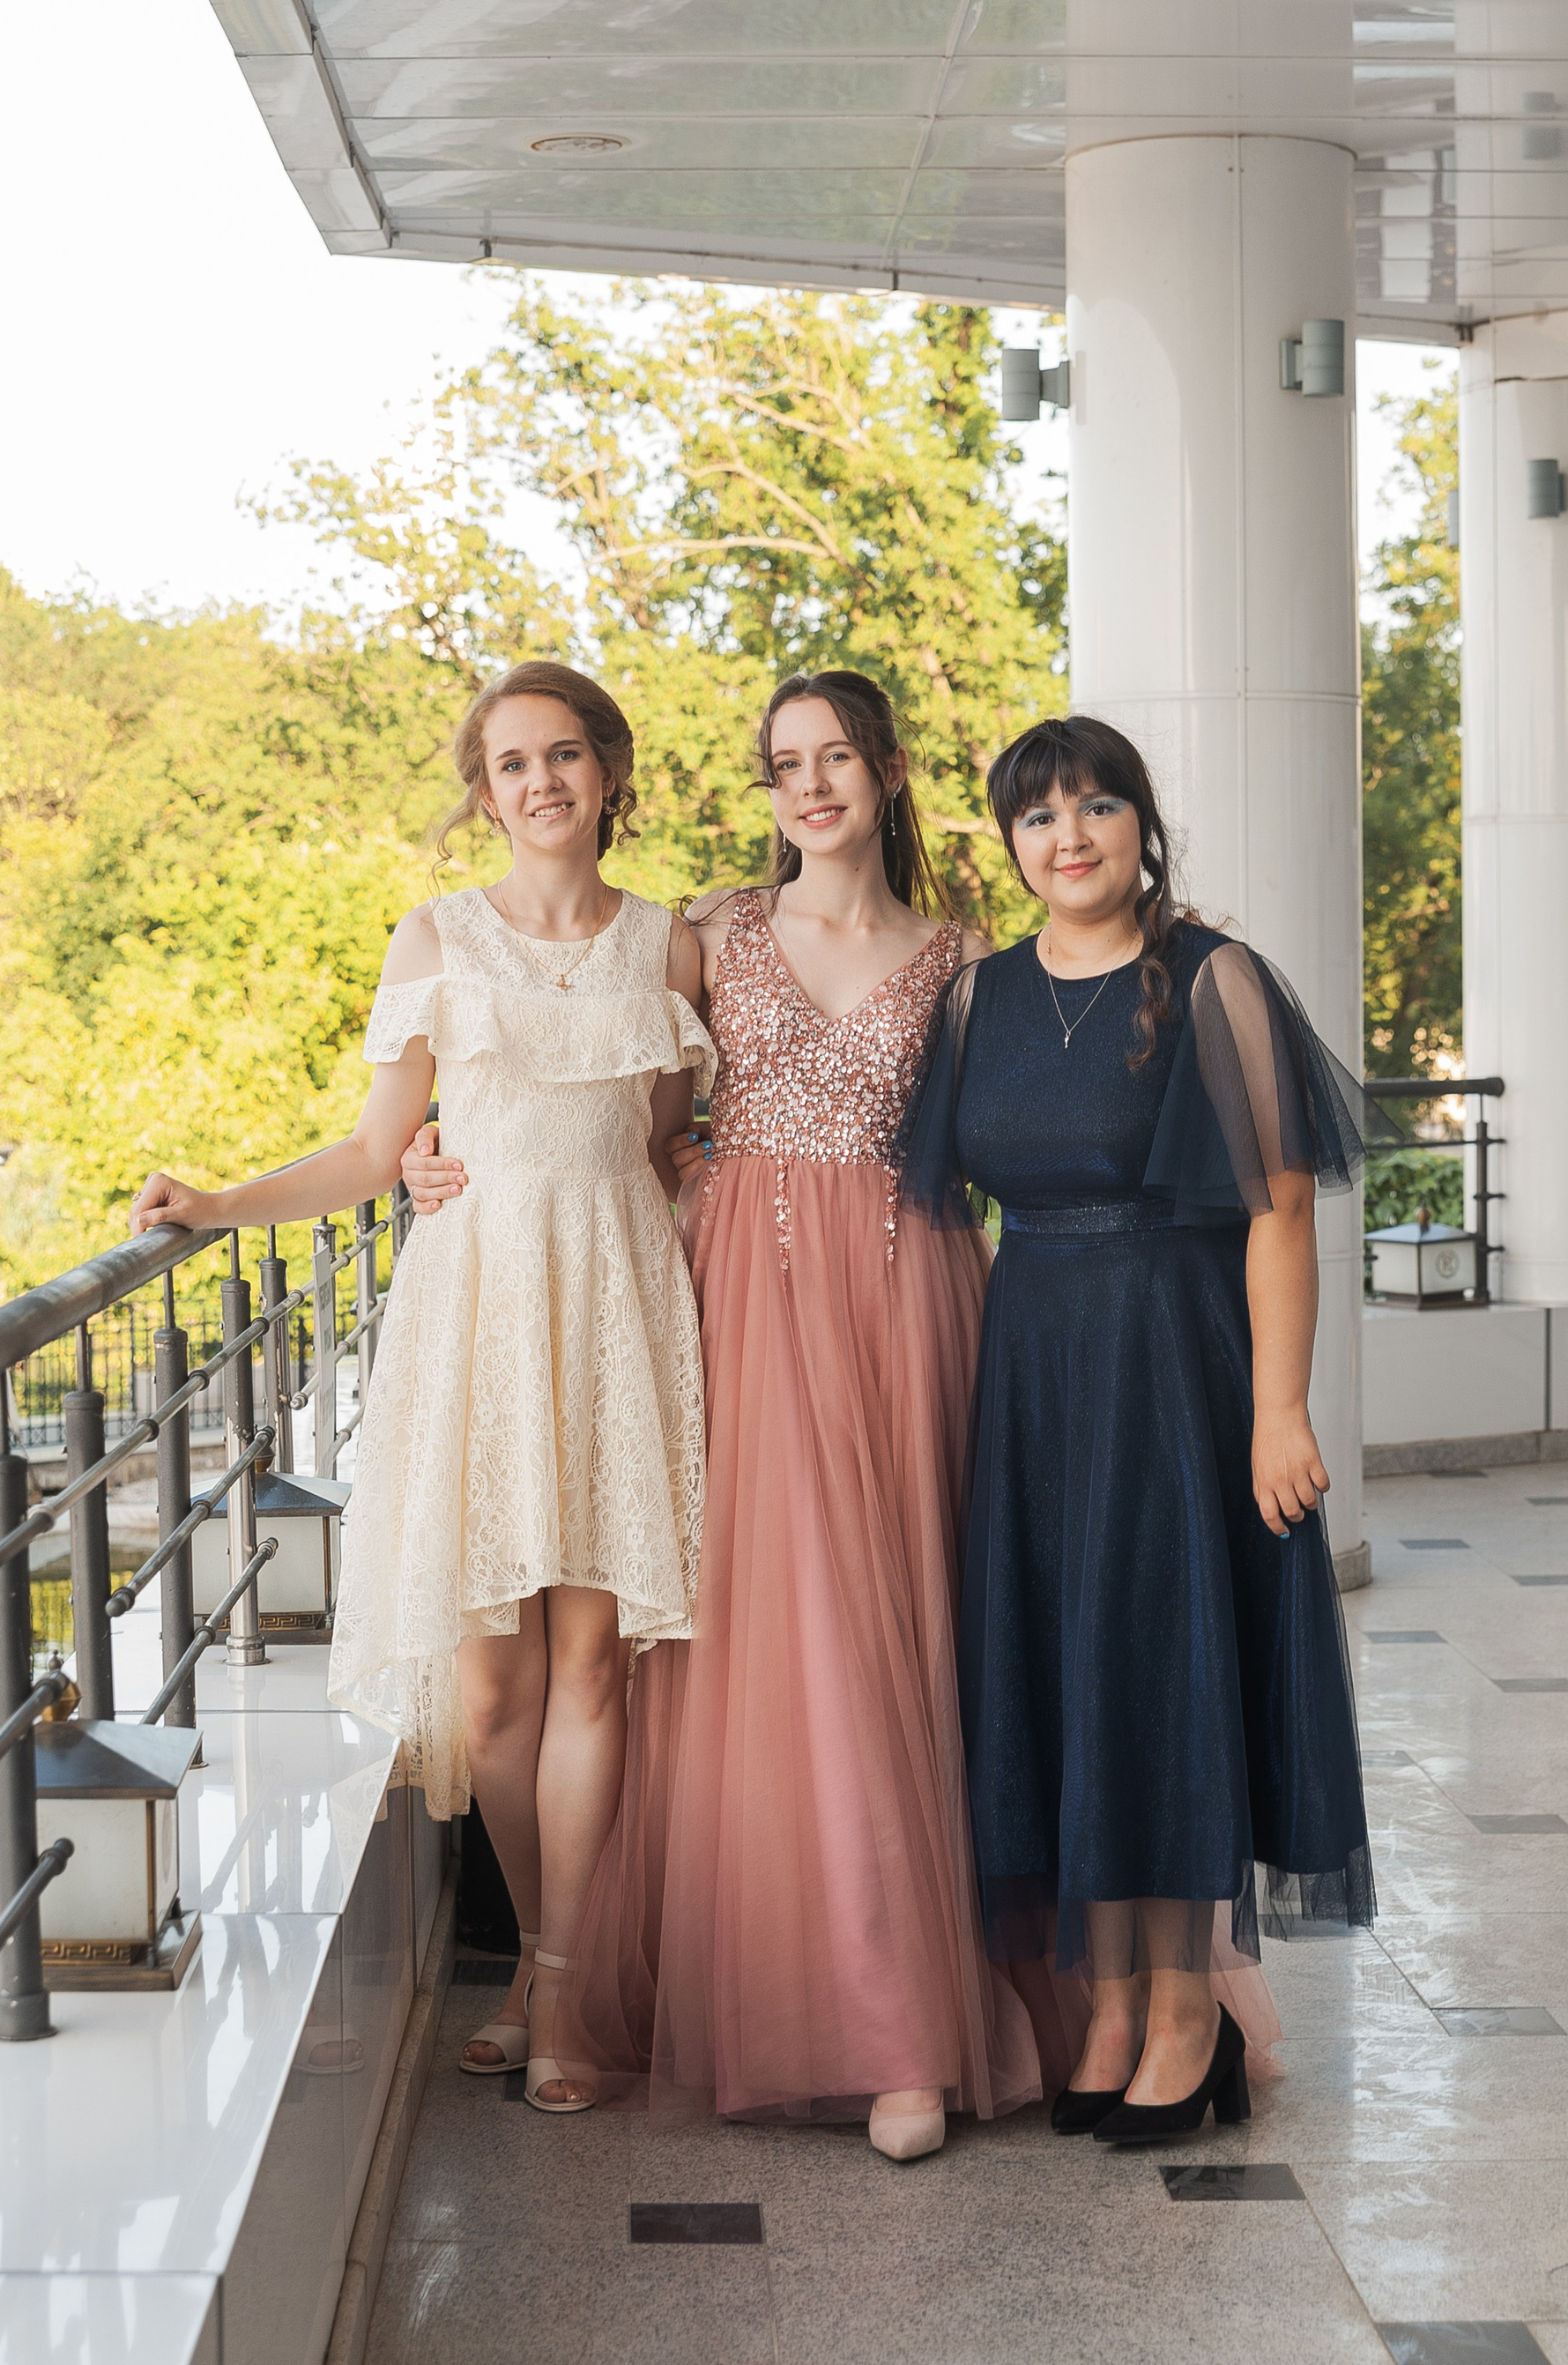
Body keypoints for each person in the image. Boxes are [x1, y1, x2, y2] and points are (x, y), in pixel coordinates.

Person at [412, 669, 1052, 2160]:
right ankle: (676, 1987)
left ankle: (904, 2026)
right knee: (762, 1648)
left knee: (892, 1643)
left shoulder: (962, 960)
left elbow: (1020, 1137)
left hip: (903, 1306)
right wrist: (433, 1149)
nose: (810, 786)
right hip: (736, 1307)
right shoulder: (710, 933)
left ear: (889, 772)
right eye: (785, 764)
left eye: (837, 759)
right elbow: (610, 1102)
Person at [130, 658, 713, 2115]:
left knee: (594, 1666)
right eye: (512, 763)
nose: (541, 782)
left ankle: (558, 1997)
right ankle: (543, 1961)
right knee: (494, 1685)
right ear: (484, 792)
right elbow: (370, 1150)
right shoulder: (437, 936)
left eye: (564, 754)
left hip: (618, 1310)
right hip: (477, 1318)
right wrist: (219, 1201)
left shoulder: (672, 946)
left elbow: (665, 1145)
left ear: (608, 772)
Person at [901, 713, 1378, 2145]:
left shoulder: (1214, 976)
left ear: (1141, 824)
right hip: (1035, 1373)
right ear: (1010, 843)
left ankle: (1188, 2010)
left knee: (1161, 1664)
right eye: (1039, 816)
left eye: (1098, 806)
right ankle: (1107, 2002)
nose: (1071, 837)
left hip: (1176, 1367)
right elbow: (919, 1195)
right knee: (1064, 1668)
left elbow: (1280, 1211)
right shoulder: (977, 998)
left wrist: (1279, 1410)